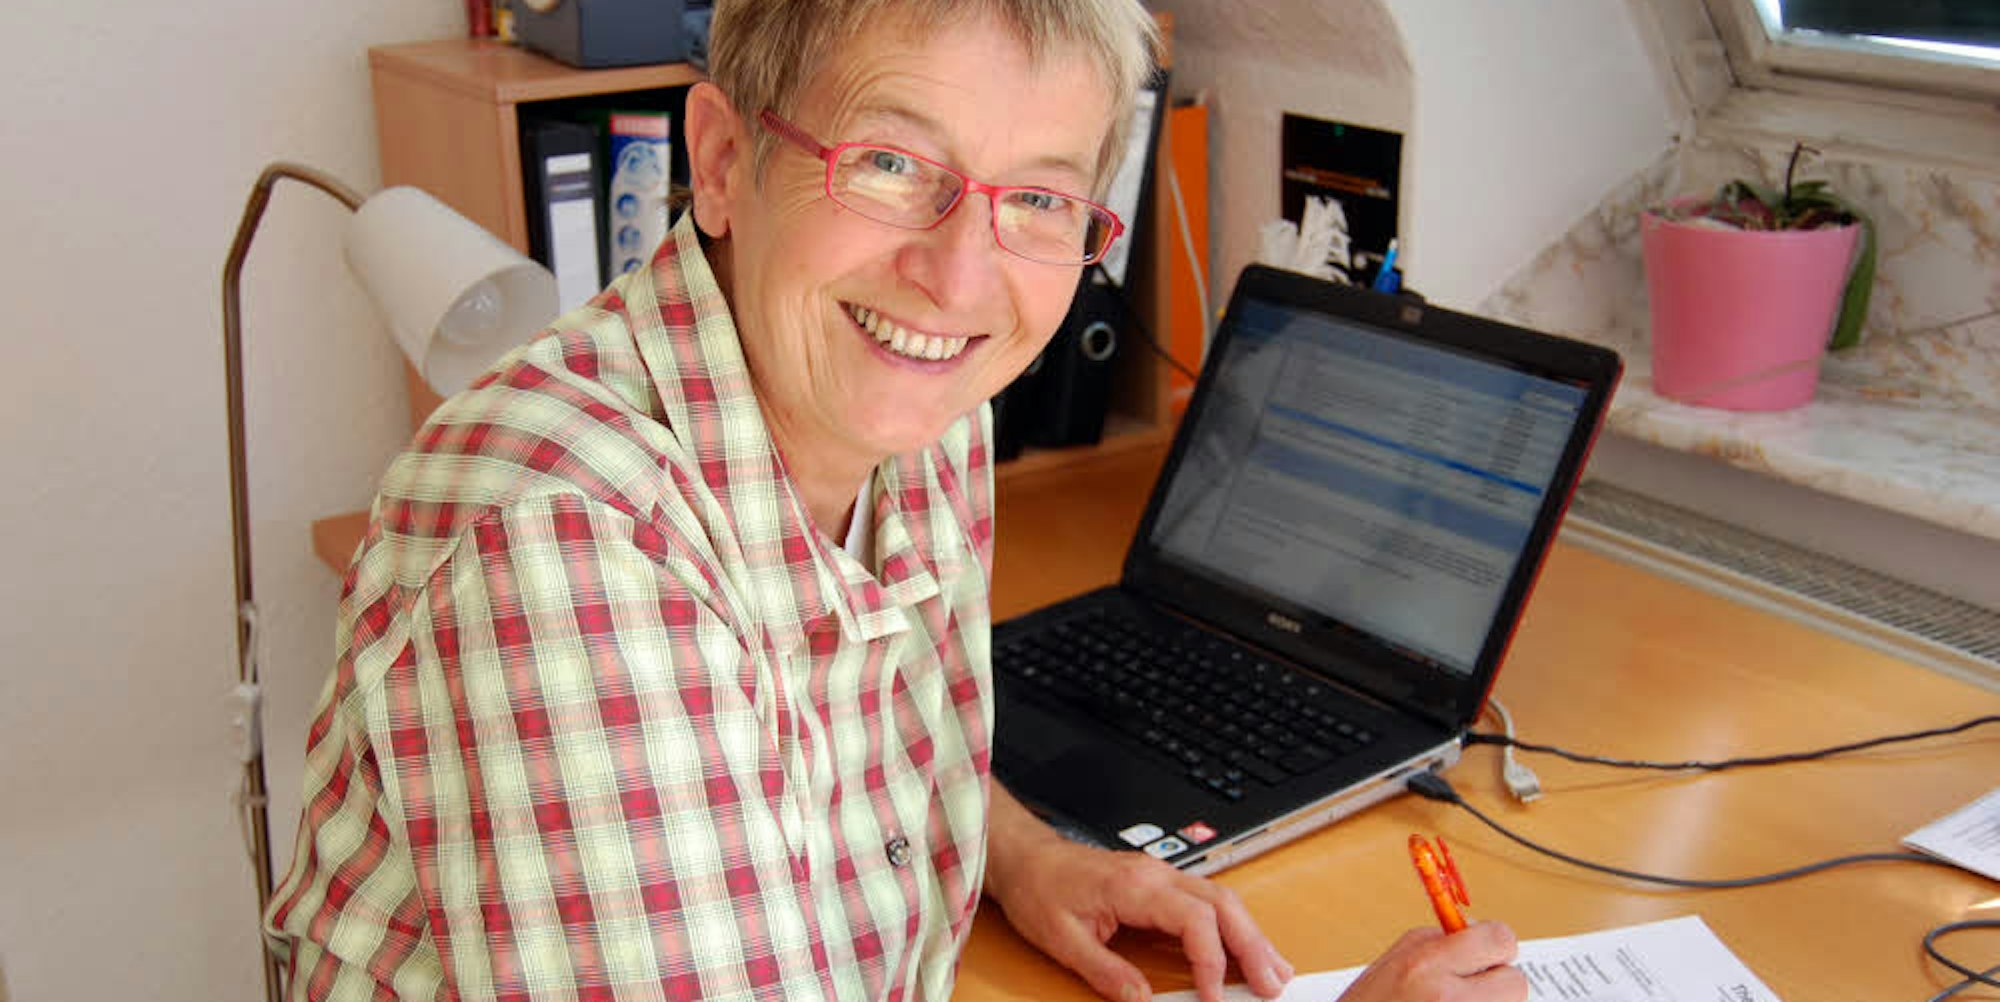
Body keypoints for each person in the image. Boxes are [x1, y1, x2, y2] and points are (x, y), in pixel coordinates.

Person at [264, 2, 1527, 1001]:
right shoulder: (562, 557)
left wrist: (1021, 856)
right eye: (887, 163)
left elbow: (855, 726)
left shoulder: (914, 402)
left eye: (1037, 199)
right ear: (721, 162)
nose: (957, 276)